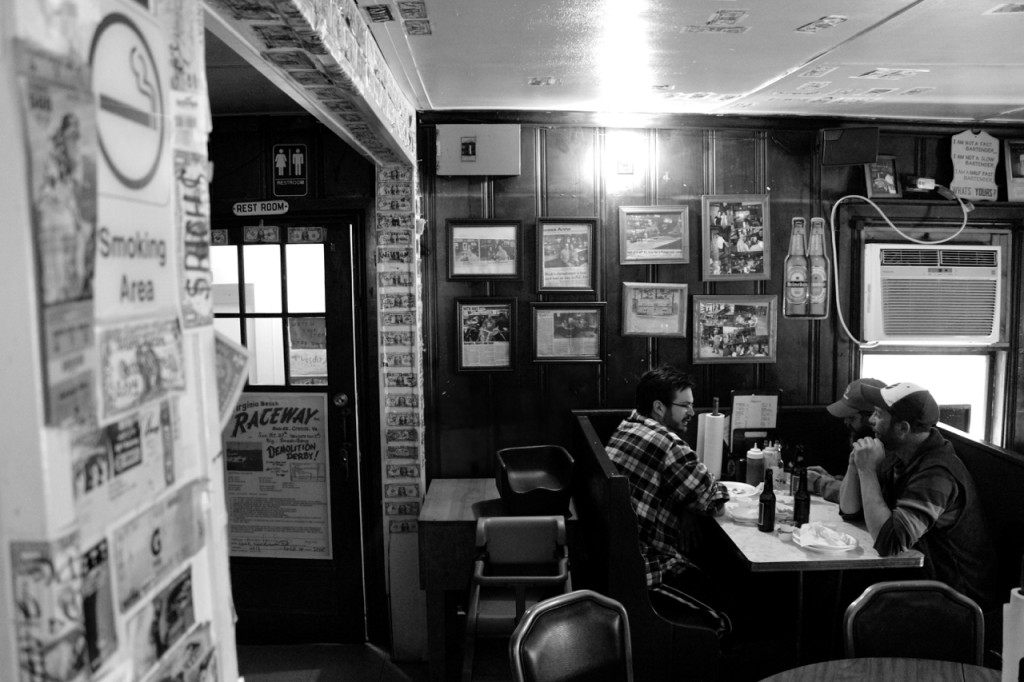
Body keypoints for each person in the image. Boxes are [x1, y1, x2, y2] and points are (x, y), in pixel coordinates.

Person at [838, 381, 1001, 613]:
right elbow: (851, 511)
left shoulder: (938, 473)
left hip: (957, 602)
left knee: (847, 602)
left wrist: (866, 471)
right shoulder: (900, 455)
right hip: (922, 582)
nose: (871, 421)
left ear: (903, 428)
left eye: (878, 415)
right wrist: (855, 464)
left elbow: (889, 542)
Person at [605, 366, 732, 639]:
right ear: (660, 407)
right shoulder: (668, 443)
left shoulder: (629, 425)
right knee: (724, 613)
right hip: (646, 570)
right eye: (685, 405)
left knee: (709, 578)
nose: (692, 412)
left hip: (614, 558)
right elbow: (713, 501)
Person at [805, 378, 887, 502]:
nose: (845, 422)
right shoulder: (866, 442)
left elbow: (861, 499)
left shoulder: (886, 452)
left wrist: (820, 483)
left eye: (852, 418)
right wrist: (832, 479)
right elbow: (862, 486)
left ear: (873, 417)